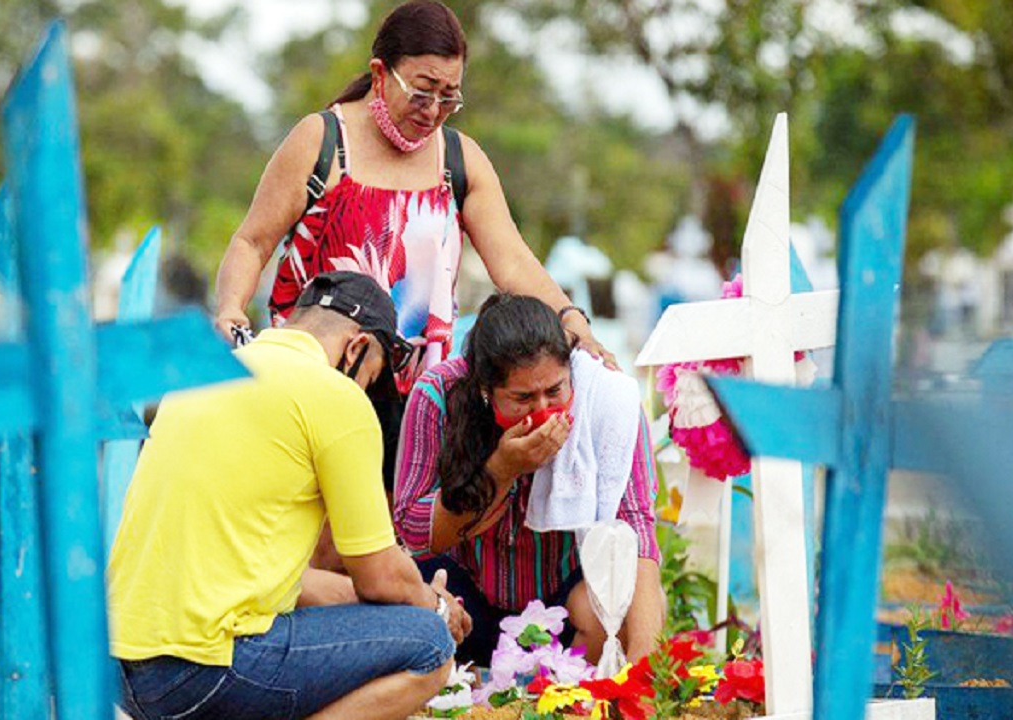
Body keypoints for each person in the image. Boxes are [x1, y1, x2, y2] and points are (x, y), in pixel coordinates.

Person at [212, 0, 615, 490]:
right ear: (380, 73)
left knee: (394, 544)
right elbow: (252, 242)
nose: (433, 112)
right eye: (422, 93)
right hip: (315, 389)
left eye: (449, 98)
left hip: (416, 410)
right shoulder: (321, 141)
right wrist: (231, 308)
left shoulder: (458, 160)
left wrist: (572, 321)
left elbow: (511, 261)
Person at [109, 271, 471, 720]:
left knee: (394, 616)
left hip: (121, 671)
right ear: (356, 347)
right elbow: (380, 577)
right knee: (429, 646)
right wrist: (435, 606)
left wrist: (409, 596)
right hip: (201, 674)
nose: (363, 392)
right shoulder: (334, 395)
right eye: (369, 378)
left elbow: (306, 585)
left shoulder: (207, 375)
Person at [393, 294, 665, 666]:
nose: (543, 411)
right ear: (486, 392)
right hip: (463, 599)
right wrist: (502, 470)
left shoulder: (606, 399)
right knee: (407, 605)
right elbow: (412, 530)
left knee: (610, 604)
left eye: (555, 391)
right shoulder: (438, 394)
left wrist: (644, 666)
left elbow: (636, 528)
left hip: (562, 601)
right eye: (522, 398)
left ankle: (571, 689)